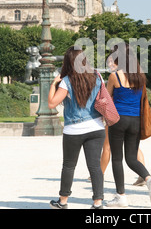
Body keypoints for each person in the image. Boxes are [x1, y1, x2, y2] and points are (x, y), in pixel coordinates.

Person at [47, 46, 106, 209]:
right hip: (96, 127)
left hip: (74, 129)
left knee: (68, 165)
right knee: (95, 166)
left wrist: (53, 84)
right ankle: (98, 202)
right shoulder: (97, 76)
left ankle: (63, 201)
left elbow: (52, 103)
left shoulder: (66, 81)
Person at [105, 43, 151, 207]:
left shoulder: (115, 76)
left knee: (117, 158)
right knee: (131, 158)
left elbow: (107, 100)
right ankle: (149, 179)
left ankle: (120, 196)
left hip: (118, 119)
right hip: (135, 120)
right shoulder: (140, 77)